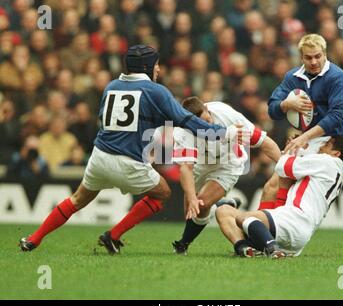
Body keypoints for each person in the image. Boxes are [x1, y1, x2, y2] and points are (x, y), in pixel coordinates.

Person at [19, 44, 245, 254]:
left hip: (99, 156)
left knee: (77, 199)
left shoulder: (111, 86)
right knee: (162, 193)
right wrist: (222, 132)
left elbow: (107, 118)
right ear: (147, 67)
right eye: (156, 64)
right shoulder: (155, 91)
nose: (158, 68)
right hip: (129, 161)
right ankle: (113, 235)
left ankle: (33, 239)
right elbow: (184, 119)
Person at [171, 96, 281, 254]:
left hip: (228, 163)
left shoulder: (227, 115)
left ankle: (183, 244)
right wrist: (191, 198)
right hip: (199, 165)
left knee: (202, 203)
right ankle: (222, 204)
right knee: (191, 211)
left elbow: (264, 142)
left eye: (207, 120)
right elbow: (186, 168)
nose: (206, 125)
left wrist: (285, 165)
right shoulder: (182, 130)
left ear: (208, 110)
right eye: (200, 124)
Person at [215, 136, 343, 258]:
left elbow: (283, 166)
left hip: (294, 219)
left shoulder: (327, 161)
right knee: (223, 211)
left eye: (327, 144)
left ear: (336, 153)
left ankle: (272, 249)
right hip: (296, 226)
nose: (321, 146)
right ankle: (245, 248)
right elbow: (286, 177)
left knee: (242, 218)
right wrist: (298, 151)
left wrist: (291, 149)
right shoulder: (334, 170)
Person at [259, 33, 343, 211]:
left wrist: (304, 137)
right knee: (271, 188)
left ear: (325, 54)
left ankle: (273, 229)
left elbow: (338, 115)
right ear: (301, 57)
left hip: (332, 143)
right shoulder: (292, 77)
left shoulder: (338, 78)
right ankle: (264, 233)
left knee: (295, 195)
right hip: (306, 141)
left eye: (318, 56)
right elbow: (272, 109)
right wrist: (286, 104)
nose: (314, 62)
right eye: (308, 57)